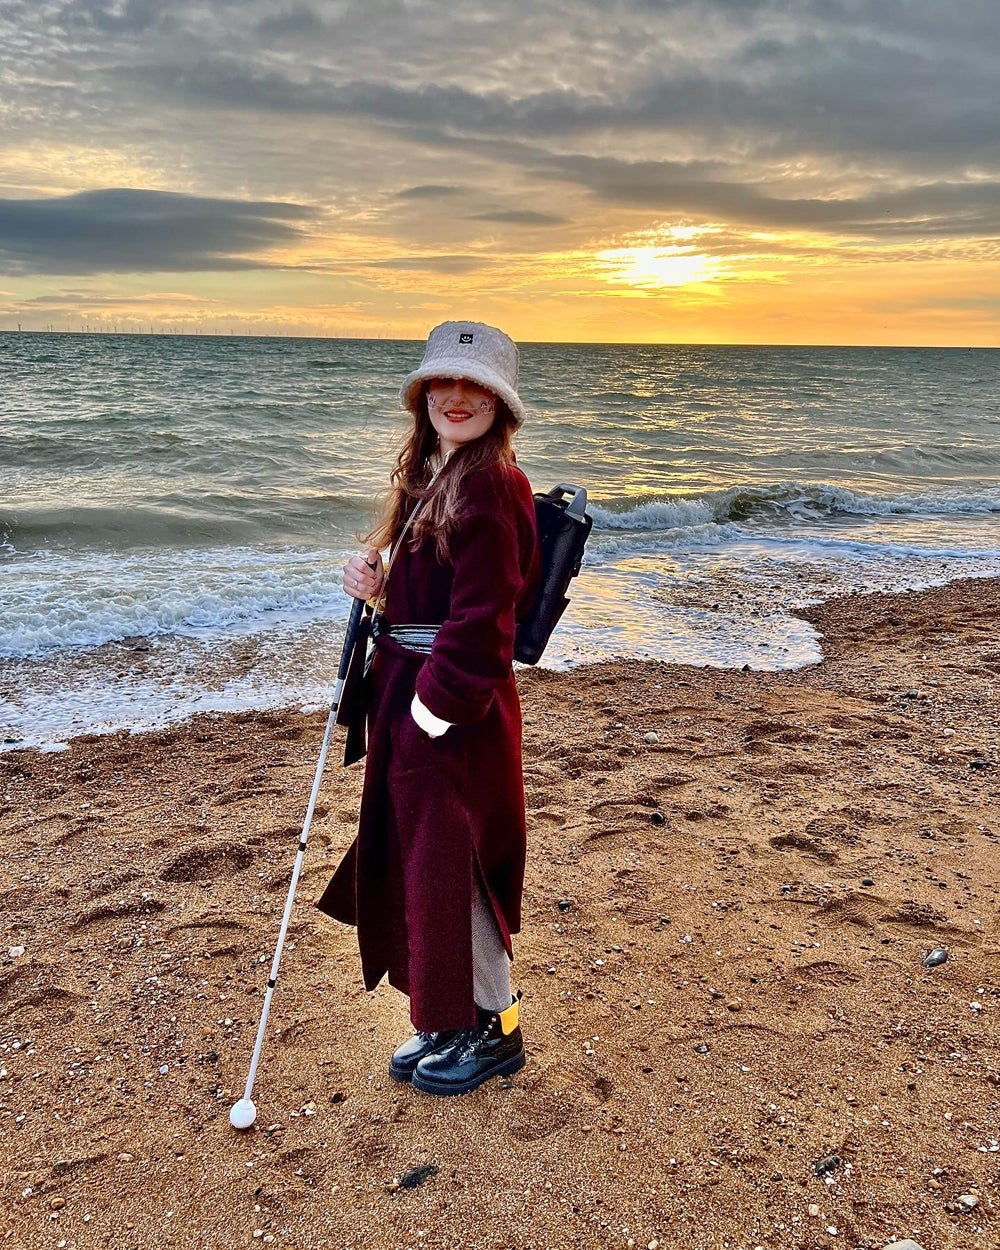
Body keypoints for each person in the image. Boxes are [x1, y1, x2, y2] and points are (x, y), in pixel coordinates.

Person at [317, 321, 540, 1096]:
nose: (457, 397)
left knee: (463, 865)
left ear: (499, 404)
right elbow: (430, 590)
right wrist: (373, 578)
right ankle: (447, 1018)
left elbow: (485, 623)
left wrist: (432, 715)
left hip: (453, 710)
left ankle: (495, 1029)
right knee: (424, 862)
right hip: (410, 688)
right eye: (445, 382)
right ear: (425, 395)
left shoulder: (494, 484)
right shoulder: (431, 471)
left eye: (476, 386)